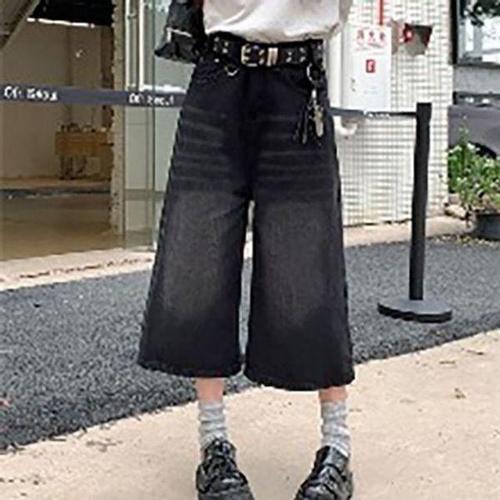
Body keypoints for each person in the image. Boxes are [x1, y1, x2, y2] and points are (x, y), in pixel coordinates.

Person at [138, 1, 355, 498]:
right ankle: (213, 444)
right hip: (219, 76)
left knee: (310, 264)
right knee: (198, 258)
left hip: (298, 83)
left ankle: (337, 446)